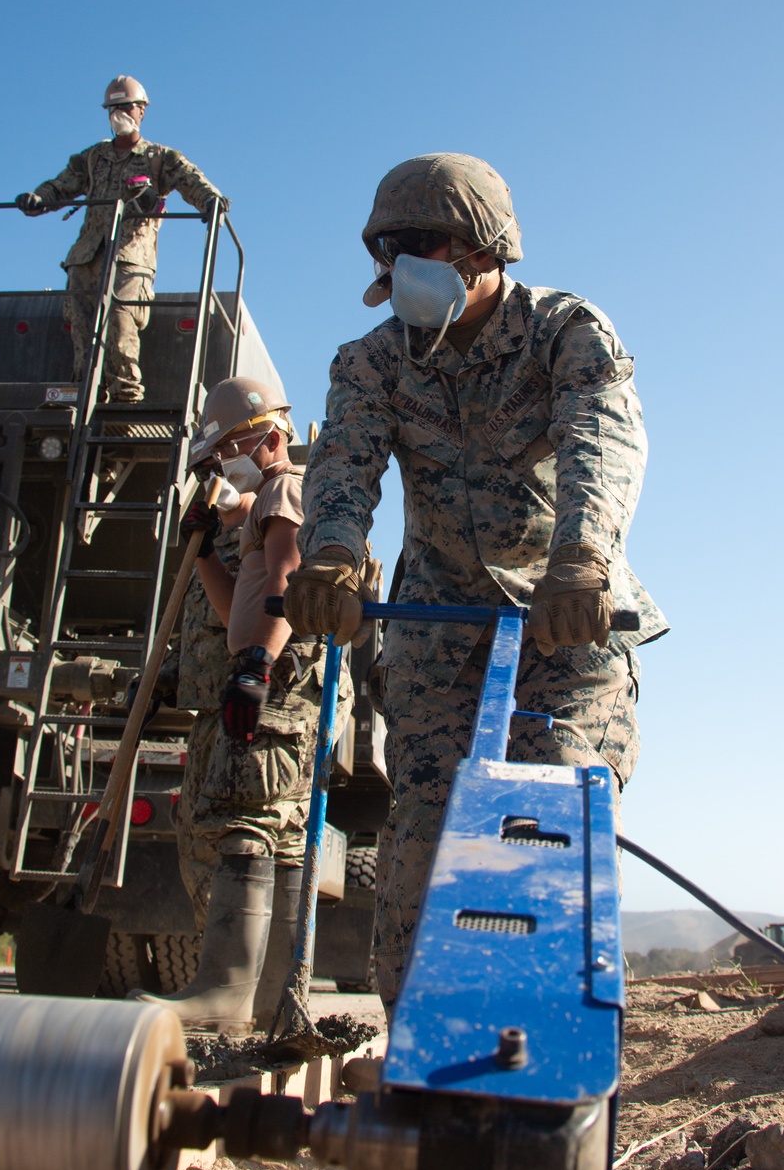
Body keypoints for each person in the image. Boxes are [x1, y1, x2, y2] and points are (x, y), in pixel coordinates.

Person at [283, 152, 668, 1011]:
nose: (408, 260)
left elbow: (601, 441)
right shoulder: (373, 361)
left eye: (429, 240)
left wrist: (582, 560)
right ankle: (421, 1050)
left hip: (565, 618)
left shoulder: (565, 331)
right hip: (436, 634)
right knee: (423, 840)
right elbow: (343, 466)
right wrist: (332, 558)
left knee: (548, 816)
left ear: (486, 248)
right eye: (396, 246)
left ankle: (545, 1050)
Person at [145, 375, 353, 1030]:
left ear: (268, 438)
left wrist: (258, 661)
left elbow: (289, 577)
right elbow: (234, 606)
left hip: (278, 684)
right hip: (261, 672)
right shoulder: (256, 502)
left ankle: (227, 987)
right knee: (281, 838)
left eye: (226, 451)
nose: (217, 468)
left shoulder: (287, 486)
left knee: (249, 818)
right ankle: (269, 999)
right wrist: (205, 550)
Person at [14, 75, 228, 403]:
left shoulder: (159, 157)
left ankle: (126, 396)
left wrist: (211, 200)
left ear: (142, 110)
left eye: (126, 107)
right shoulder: (92, 158)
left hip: (130, 257)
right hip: (87, 256)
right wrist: (38, 199)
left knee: (121, 322)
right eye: (113, 108)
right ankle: (86, 395)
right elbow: (61, 185)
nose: (120, 114)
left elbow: (191, 180)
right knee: (82, 329)